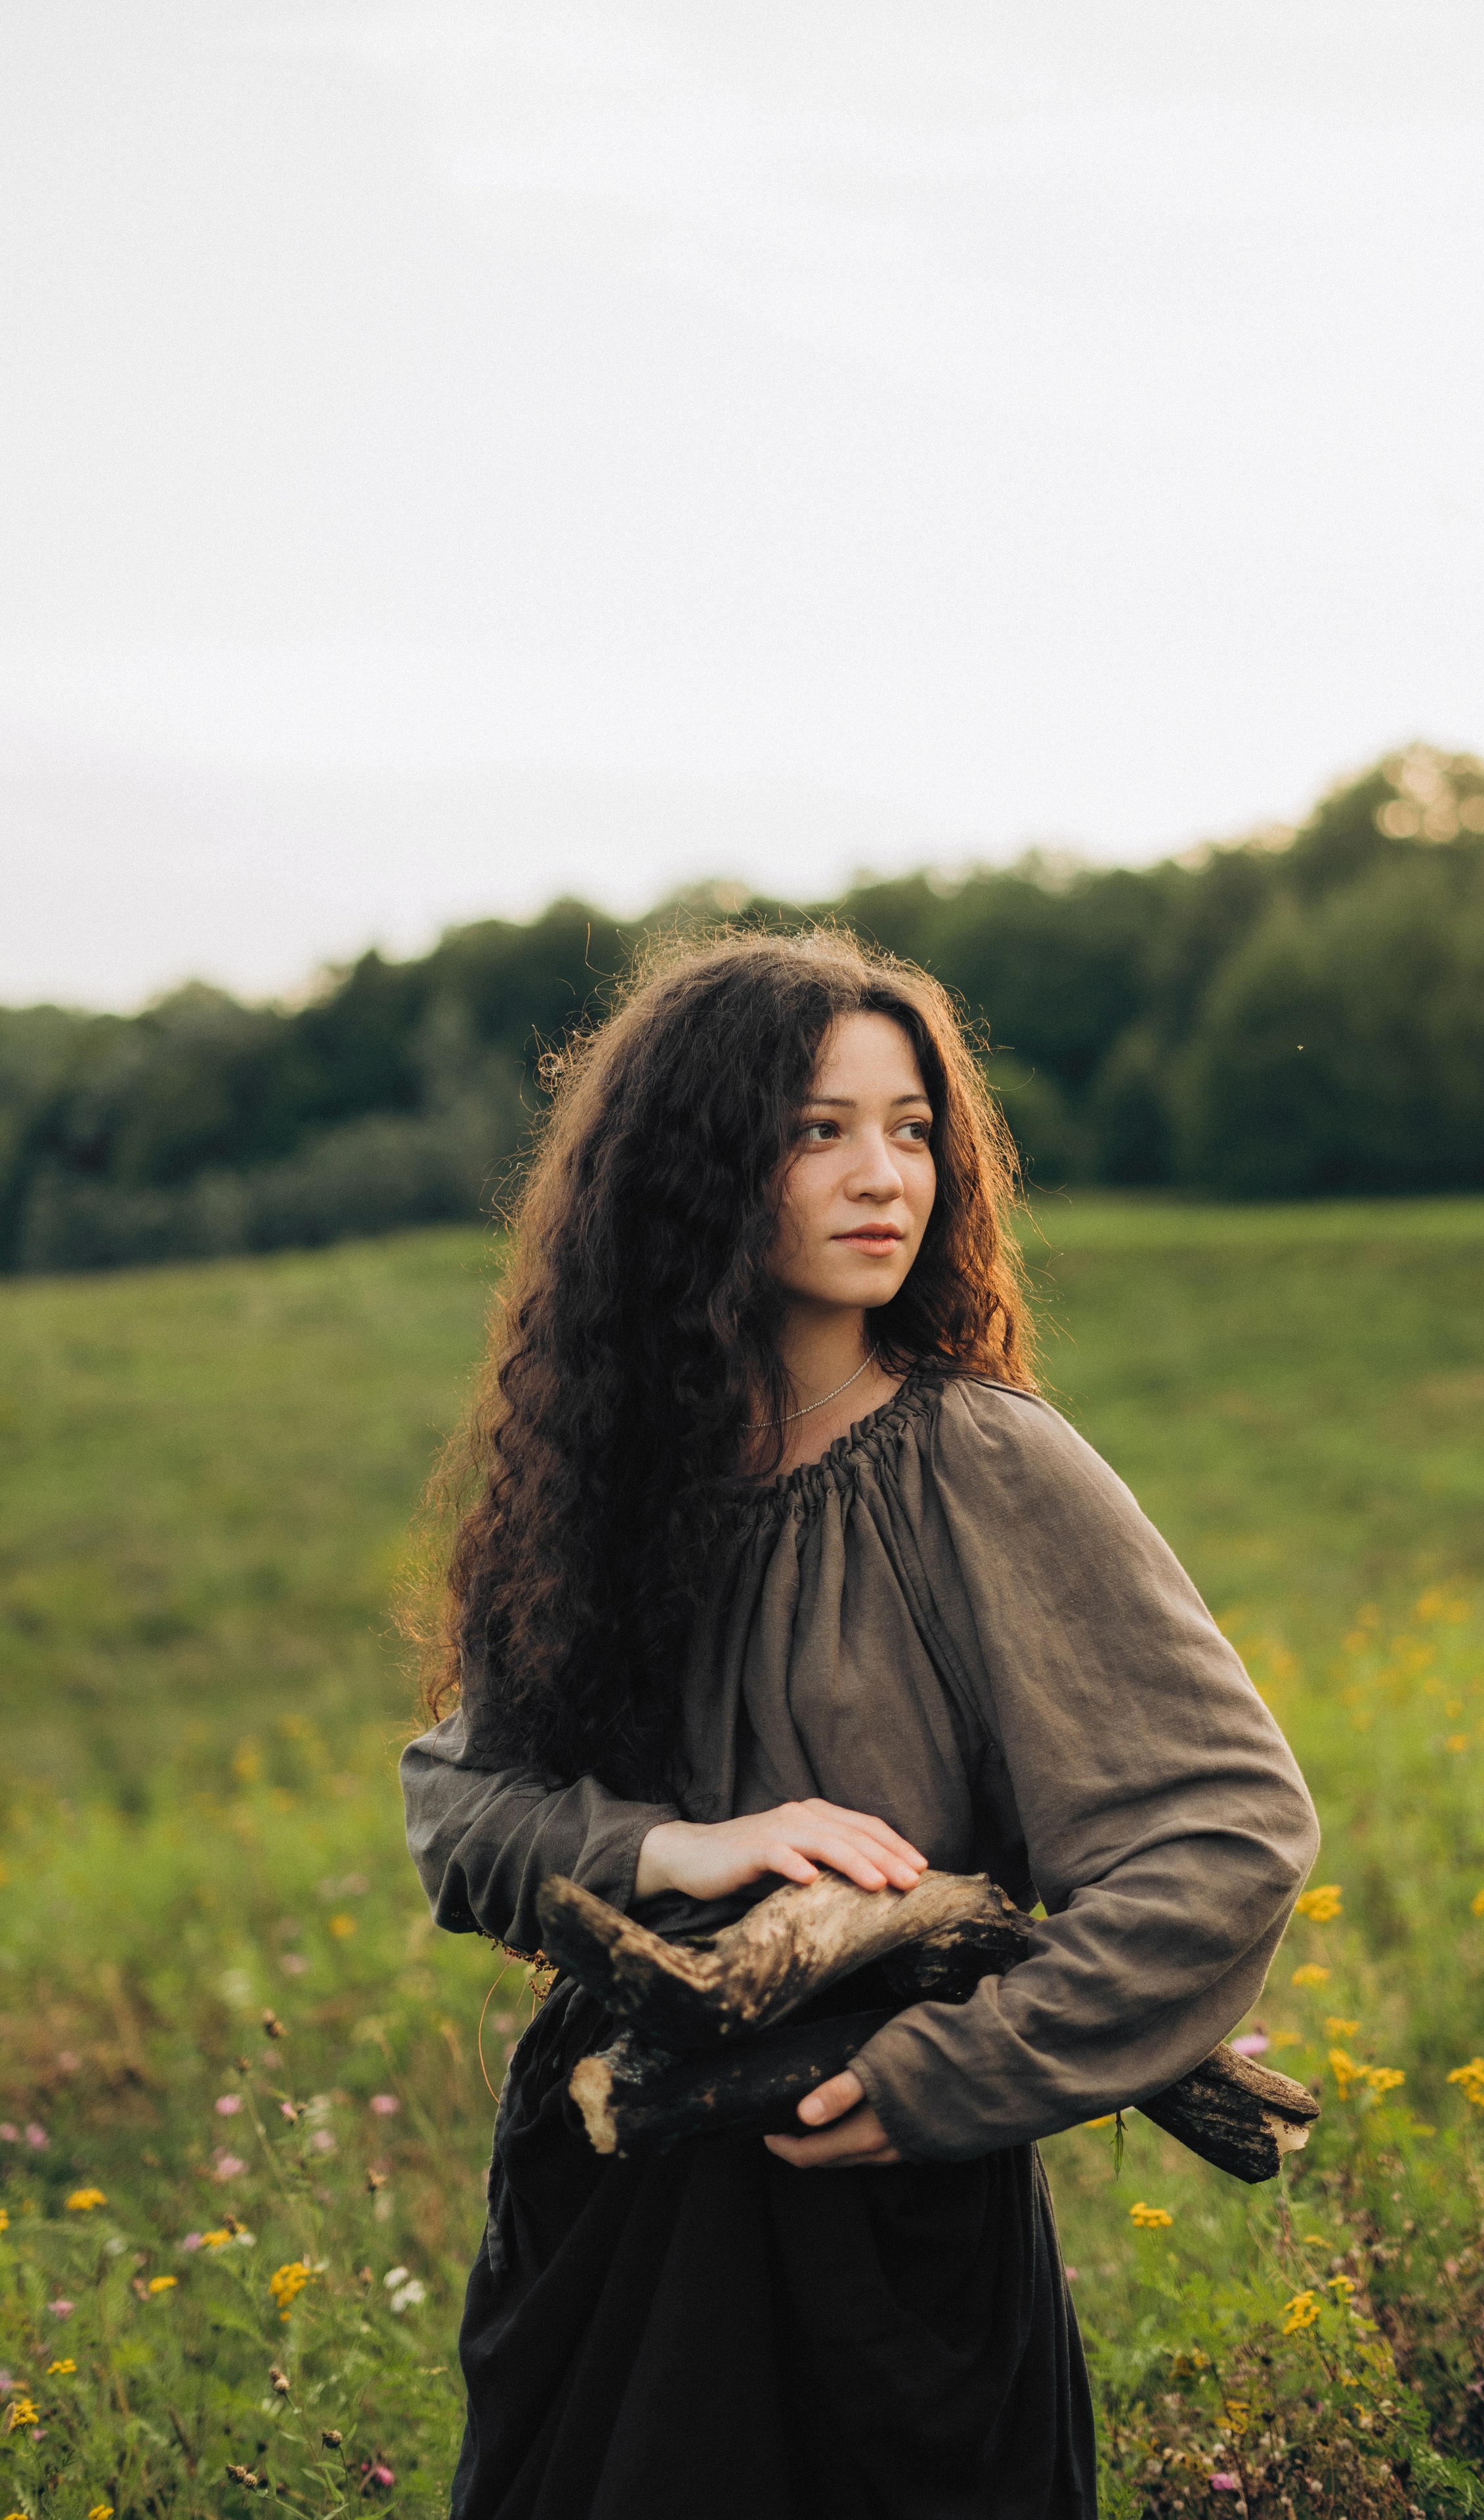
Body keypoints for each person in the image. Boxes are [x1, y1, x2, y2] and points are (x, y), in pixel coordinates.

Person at [401, 929, 1319, 2520]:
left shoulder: (976, 1459)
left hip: (878, 2250)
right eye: (815, 1130)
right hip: (602, 2210)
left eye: (908, 1129)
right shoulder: (599, 1485)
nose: (882, 1176)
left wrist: (945, 2078)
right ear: (690, 1167)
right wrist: (678, 1849)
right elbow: (457, 1810)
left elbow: (1227, 1836)